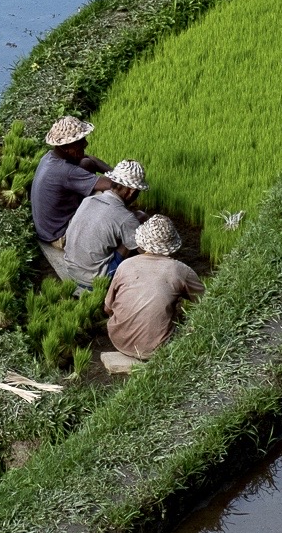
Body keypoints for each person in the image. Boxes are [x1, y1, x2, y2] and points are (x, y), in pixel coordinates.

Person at [103, 214, 203, 360]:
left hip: (119, 340)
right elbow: (205, 302)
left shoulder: (125, 265)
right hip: (157, 349)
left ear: (142, 243)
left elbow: (107, 308)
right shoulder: (180, 270)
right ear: (172, 246)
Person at [30, 115, 112, 279]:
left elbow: (89, 159)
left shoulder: (50, 157)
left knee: (86, 164)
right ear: (67, 147)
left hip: (49, 227)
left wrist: (114, 172)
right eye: (80, 142)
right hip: (60, 235)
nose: (85, 144)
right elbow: (113, 186)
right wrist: (126, 180)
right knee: (108, 200)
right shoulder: (64, 171)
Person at [62, 159, 147, 289]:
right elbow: (146, 252)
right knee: (137, 224)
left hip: (71, 269)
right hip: (93, 280)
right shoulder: (126, 218)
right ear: (131, 191)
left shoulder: (88, 200)